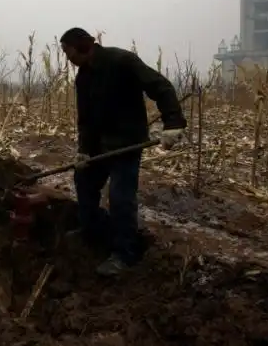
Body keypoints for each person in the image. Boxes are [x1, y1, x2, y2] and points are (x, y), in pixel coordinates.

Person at [60, 28, 187, 277]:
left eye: (68, 52)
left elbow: (161, 87)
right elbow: (85, 120)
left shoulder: (122, 61)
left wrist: (173, 123)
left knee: (120, 196)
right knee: (83, 180)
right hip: (99, 147)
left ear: (82, 46)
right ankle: (93, 230)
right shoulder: (83, 78)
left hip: (127, 143)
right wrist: (84, 151)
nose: (68, 59)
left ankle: (125, 253)